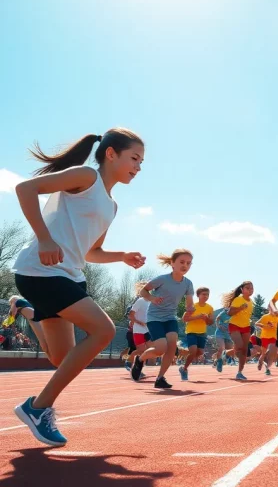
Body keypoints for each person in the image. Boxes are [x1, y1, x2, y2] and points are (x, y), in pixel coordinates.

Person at [11, 129, 146, 447]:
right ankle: (37, 408)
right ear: (111, 154)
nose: (138, 167)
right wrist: (44, 238)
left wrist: (121, 256)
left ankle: (29, 312)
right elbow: (25, 189)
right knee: (102, 330)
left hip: (69, 276)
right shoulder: (86, 177)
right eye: (134, 158)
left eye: (142, 162)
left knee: (62, 359)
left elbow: (90, 253)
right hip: (41, 271)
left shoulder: (111, 206)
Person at [131, 250, 195, 388]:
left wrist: (190, 310)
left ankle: (160, 378)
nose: (185, 265)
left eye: (188, 263)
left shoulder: (188, 284)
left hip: (170, 318)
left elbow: (189, 303)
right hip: (154, 318)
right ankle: (140, 359)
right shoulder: (162, 279)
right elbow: (143, 291)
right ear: (172, 263)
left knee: (172, 347)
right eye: (182, 262)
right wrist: (152, 298)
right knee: (160, 349)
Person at [221, 281, 254, 380]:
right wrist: (240, 308)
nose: (250, 290)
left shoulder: (251, 301)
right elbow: (230, 313)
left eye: (252, 288)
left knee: (244, 350)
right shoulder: (238, 300)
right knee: (239, 346)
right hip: (235, 325)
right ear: (242, 290)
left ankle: (239, 372)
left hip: (246, 327)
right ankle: (227, 354)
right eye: (248, 288)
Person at [179, 287, 213, 381]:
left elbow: (210, 322)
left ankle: (183, 365)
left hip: (202, 333)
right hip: (191, 332)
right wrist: (197, 317)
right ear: (198, 295)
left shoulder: (210, 308)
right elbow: (184, 319)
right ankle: (185, 369)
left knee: (200, 353)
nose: (206, 296)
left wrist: (206, 319)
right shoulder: (193, 306)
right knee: (193, 351)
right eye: (203, 294)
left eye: (207, 294)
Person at [126, 282, 150, 376]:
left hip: (148, 330)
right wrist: (140, 322)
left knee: (151, 349)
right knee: (141, 350)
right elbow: (130, 315)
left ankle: (138, 368)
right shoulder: (140, 301)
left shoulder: (151, 302)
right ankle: (128, 362)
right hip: (138, 329)